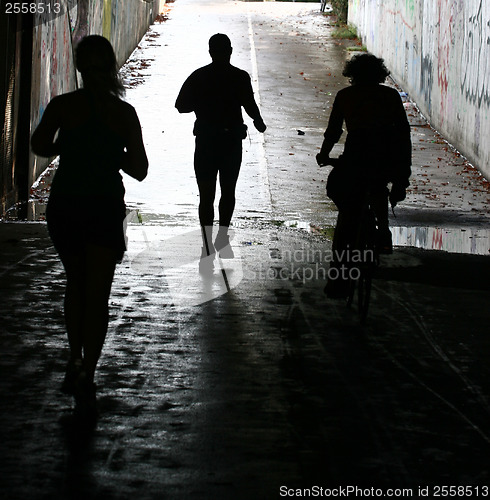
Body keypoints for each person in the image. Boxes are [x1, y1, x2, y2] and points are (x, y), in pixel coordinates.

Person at [31, 35, 148, 420]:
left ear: (80, 67)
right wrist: (112, 152)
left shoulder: (64, 107)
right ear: (112, 66)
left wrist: (69, 144)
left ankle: (74, 357)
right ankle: (88, 372)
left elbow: (39, 145)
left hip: (65, 205)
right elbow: (140, 170)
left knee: (75, 283)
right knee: (97, 294)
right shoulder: (124, 114)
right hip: (103, 206)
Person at [316, 53, 411, 298]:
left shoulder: (346, 96)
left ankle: (338, 278)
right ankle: (384, 231)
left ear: (353, 74)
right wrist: (402, 175)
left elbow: (334, 131)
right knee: (379, 185)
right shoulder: (389, 96)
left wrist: (324, 154)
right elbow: (403, 136)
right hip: (384, 160)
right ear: (379, 74)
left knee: (342, 200)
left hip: (355, 159)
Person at [175, 33, 266, 272]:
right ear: (230, 51)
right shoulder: (239, 77)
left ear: (210, 51)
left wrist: (203, 104)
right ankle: (222, 237)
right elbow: (249, 105)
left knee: (206, 196)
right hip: (231, 142)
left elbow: (180, 106)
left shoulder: (199, 76)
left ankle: (207, 246)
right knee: (228, 191)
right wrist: (258, 121)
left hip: (205, 141)